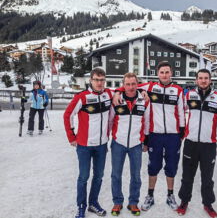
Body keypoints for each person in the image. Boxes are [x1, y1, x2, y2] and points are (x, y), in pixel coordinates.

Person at [113, 61, 186, 211]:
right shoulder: (150, 87)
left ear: (171, 73)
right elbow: (130, 87)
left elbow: (181, 112)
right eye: (162, 72)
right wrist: (117, 92)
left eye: (167, 72)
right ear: (157, 74)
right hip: (155, 135)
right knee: (153, 166)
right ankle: (150, 195)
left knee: (171, 166)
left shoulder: (178, 90)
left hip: (173, 135)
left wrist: (182, 131)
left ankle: (170, 195)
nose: (164, 75)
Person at [176, 69, 217, 218]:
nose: (203, 80)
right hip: (191, 143)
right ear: (196, 80)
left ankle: (208, 204)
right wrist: (180, 132)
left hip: (209, 145)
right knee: (187, 176)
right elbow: (178, 112)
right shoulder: (189, 95)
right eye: (200, 78)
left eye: (206, 78)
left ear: (210, 80)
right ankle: (184, 202)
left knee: (207, 178)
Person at [63, 68, 114, 218]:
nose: (99, 83)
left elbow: (123, 88)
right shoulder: (82, 97)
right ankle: (81, 206)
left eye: (102, 80)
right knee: (83, 177)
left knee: (98, 176)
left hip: (101, 145)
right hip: (84, 145)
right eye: (96, 80)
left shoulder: (108, 94)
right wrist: (71, 137)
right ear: (90, 80)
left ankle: (93, 203)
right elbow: (67, 115)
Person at [109, 73, 150, 216]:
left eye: (133, 84)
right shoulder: (117, 100)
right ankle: (117, 202)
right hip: (118, 143)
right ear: (123, 85)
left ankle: (133, 202)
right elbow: (110, 120)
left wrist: (146, 141)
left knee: (136, 176)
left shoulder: (144, 100)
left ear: (137, 84)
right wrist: (110, 137)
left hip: (136, 144)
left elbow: (147, 121)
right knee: (116, 175)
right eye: (128, 84)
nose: (131, 87)